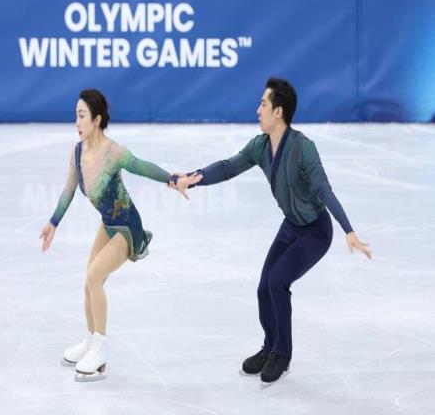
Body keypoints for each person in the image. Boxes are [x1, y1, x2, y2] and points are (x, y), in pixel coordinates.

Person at [171, 77, 372, 384]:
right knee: (264, 287)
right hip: (291, 226)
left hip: (316, 231)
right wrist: (191, 178)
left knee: (278, 282)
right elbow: (227, 167)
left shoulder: (303, 148)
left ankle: (283, 353)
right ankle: (270, 347)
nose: (258, 110)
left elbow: (324, 189)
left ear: (278, 111)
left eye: (263, 104)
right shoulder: (260, 145)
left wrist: (349, 230)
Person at [39, 89, 201, 382]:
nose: (76, 122)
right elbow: (68, 189)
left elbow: (141, 166)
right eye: (76, 115)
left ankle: (99, 351)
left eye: (82, 116)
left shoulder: (113, 153)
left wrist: (172, 179)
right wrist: (53, 222)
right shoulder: (78, 152)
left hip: (127, 226)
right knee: (89, 282)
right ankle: (90, 340)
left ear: (97, 119)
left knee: (94, 276)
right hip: (108, 223)